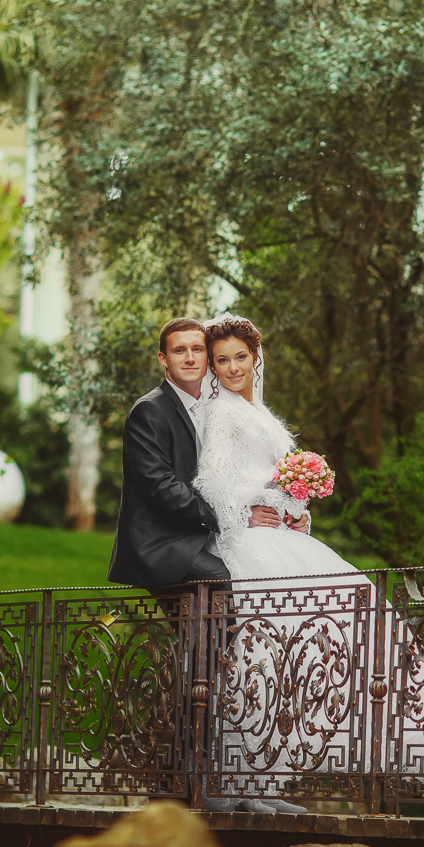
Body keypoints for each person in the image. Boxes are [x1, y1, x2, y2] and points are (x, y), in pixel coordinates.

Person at [192, 312, 424, 810]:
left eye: (240, 358)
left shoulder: (260, 413)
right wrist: (255, 507)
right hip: (251, 542)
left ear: (257, 358)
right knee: (268, 656)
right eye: (221, 361)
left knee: (312, 648)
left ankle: (263, 780)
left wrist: (296, 508)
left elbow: (267, 481)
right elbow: (211, 481)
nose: (232, 368)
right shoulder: (223, 413)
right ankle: (233, 783)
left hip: (280, 534)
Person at [107, 317, 306, 814]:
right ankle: (191, 782)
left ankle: (238, 782)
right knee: (211, 647)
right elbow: (161, 487)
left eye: (199, 349)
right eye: (181, 351)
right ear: (163, 359)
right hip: (167, 547)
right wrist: (234, 516)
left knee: (220, 662)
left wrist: (287, 510)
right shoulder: (149, 411)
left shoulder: (211, 406)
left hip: (204, 540)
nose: (192, 358)